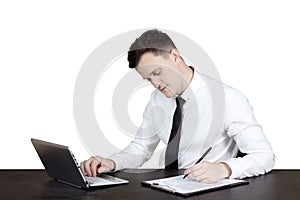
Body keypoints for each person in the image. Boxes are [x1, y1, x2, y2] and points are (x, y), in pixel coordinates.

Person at [80, 29, 275, 183]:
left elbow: (264, 156)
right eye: (148, 79)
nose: (155, 83)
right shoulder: (157, 100)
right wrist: (111, 162)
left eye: (157, 72)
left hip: (213, 191)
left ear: (174, 56)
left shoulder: (227, 99)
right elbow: (141, 148)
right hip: (170, 187)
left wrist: (224, 169)